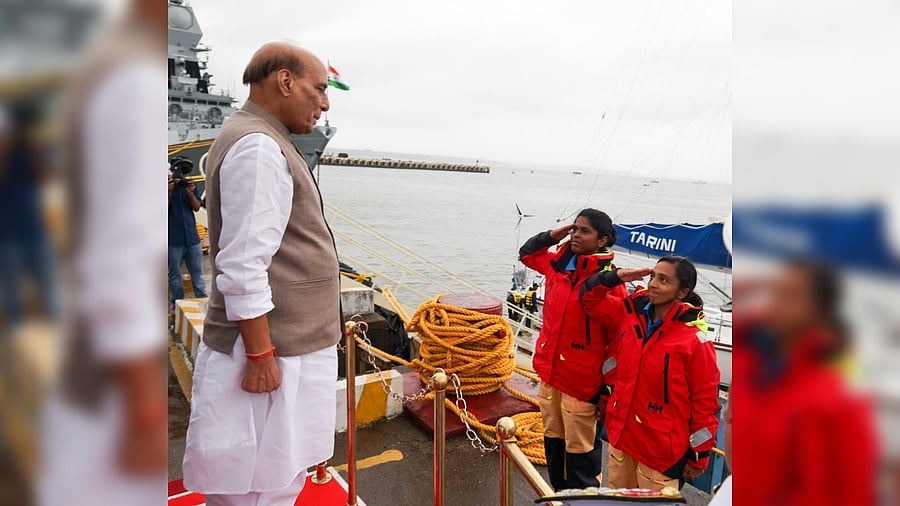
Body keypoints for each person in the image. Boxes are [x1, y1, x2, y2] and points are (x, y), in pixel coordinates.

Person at [182, 42, 340, 505]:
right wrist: (260, 355)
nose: (326, 103)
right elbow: (242, 265)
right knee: (259, 488)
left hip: (282, 348)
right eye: (320, 88)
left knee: (269, 480)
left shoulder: (259, 138)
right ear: (285, 81)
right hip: (275, 355)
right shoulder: (258, 147)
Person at [732, 258, 878, 506]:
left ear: (820, 310)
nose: (776, 305)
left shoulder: (839, 394)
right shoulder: (756, 369)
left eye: (792, 296)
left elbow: (856, 488)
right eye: (775, 292)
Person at [581, 256, 720, 491]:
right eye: (653, 276)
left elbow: (705, 403)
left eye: (664, 280)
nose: (653, 284)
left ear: (682, 293)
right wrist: (615, 277)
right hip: (622, 439)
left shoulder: (695, 341)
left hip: (661, 453)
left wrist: (699, 456)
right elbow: (589, 300)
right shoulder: (630, 314)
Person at [519, 209, 625, 490]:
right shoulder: (558, 265)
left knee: (581, 455)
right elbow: (528, 254)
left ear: (602, 240)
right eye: (575, 229)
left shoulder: (610, 285)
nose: (576, 235)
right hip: (551, 374)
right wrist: (555, 234)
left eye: (584, 231)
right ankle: (558, 494)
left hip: (582, 384)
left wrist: (606, 393)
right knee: (553, 444)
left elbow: (618, 346)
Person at [167, 157, 207, 308]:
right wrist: (169, 192)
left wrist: (190, 193)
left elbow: (197, 207)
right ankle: (177, 304)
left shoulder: (189, 187)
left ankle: (203, 302)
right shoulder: (165, 188)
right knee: (174, 275)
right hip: (173, 239)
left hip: (192, 239)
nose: (181, 177)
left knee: (198, 275)